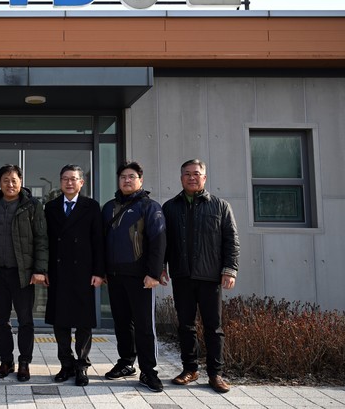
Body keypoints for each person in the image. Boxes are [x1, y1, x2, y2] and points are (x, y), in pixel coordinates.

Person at [161, 159, 239, 394]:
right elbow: (163, 242)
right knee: (185, 325)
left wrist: (229, 270)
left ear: (204, 178)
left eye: (196, 174)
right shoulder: (170, 207)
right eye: (187, 174)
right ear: (181, 178)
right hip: (181, 275)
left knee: (213, 327)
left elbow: (231, 240)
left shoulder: (220, 206)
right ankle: (190, 369)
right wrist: (160, 267)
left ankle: (216, 374)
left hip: (210, 276)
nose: (192, 177)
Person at [101, 161, 166, 393]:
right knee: (121, 322)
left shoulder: (150, 207)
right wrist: (102, 270)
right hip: (114, 275)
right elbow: (101, 241)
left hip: (141, 277)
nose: (127, 180)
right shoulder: (108, 207)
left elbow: (158, 241)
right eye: (123, 177)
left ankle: (149, 371)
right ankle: (126, 362)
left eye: (131, 176)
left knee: (144, 325)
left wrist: (153, 273)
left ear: (140, 180)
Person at [0, 164, 48, 382]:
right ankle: (6, 361)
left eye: (14, 180)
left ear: (21, 181)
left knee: (25, 320)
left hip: (23, 273)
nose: (10, 184)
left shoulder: (32, 205)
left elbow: (41, 239)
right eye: (5, 180)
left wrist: (39, 270)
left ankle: (24, 362)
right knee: (1, 320)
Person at [43, 164, 104, 387]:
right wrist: (44, 270)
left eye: (73, 179)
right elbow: (45, 242)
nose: (69, 182)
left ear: (81, 182)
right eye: (65, 179)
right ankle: (66, 363)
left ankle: (82, 365)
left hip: (83, 272)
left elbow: (98, 241)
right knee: (60, 321)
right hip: (58, 271)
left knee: (83, 322)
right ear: (60, 182)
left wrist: (99, 272)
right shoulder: (51, 207)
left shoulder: (91, 206)